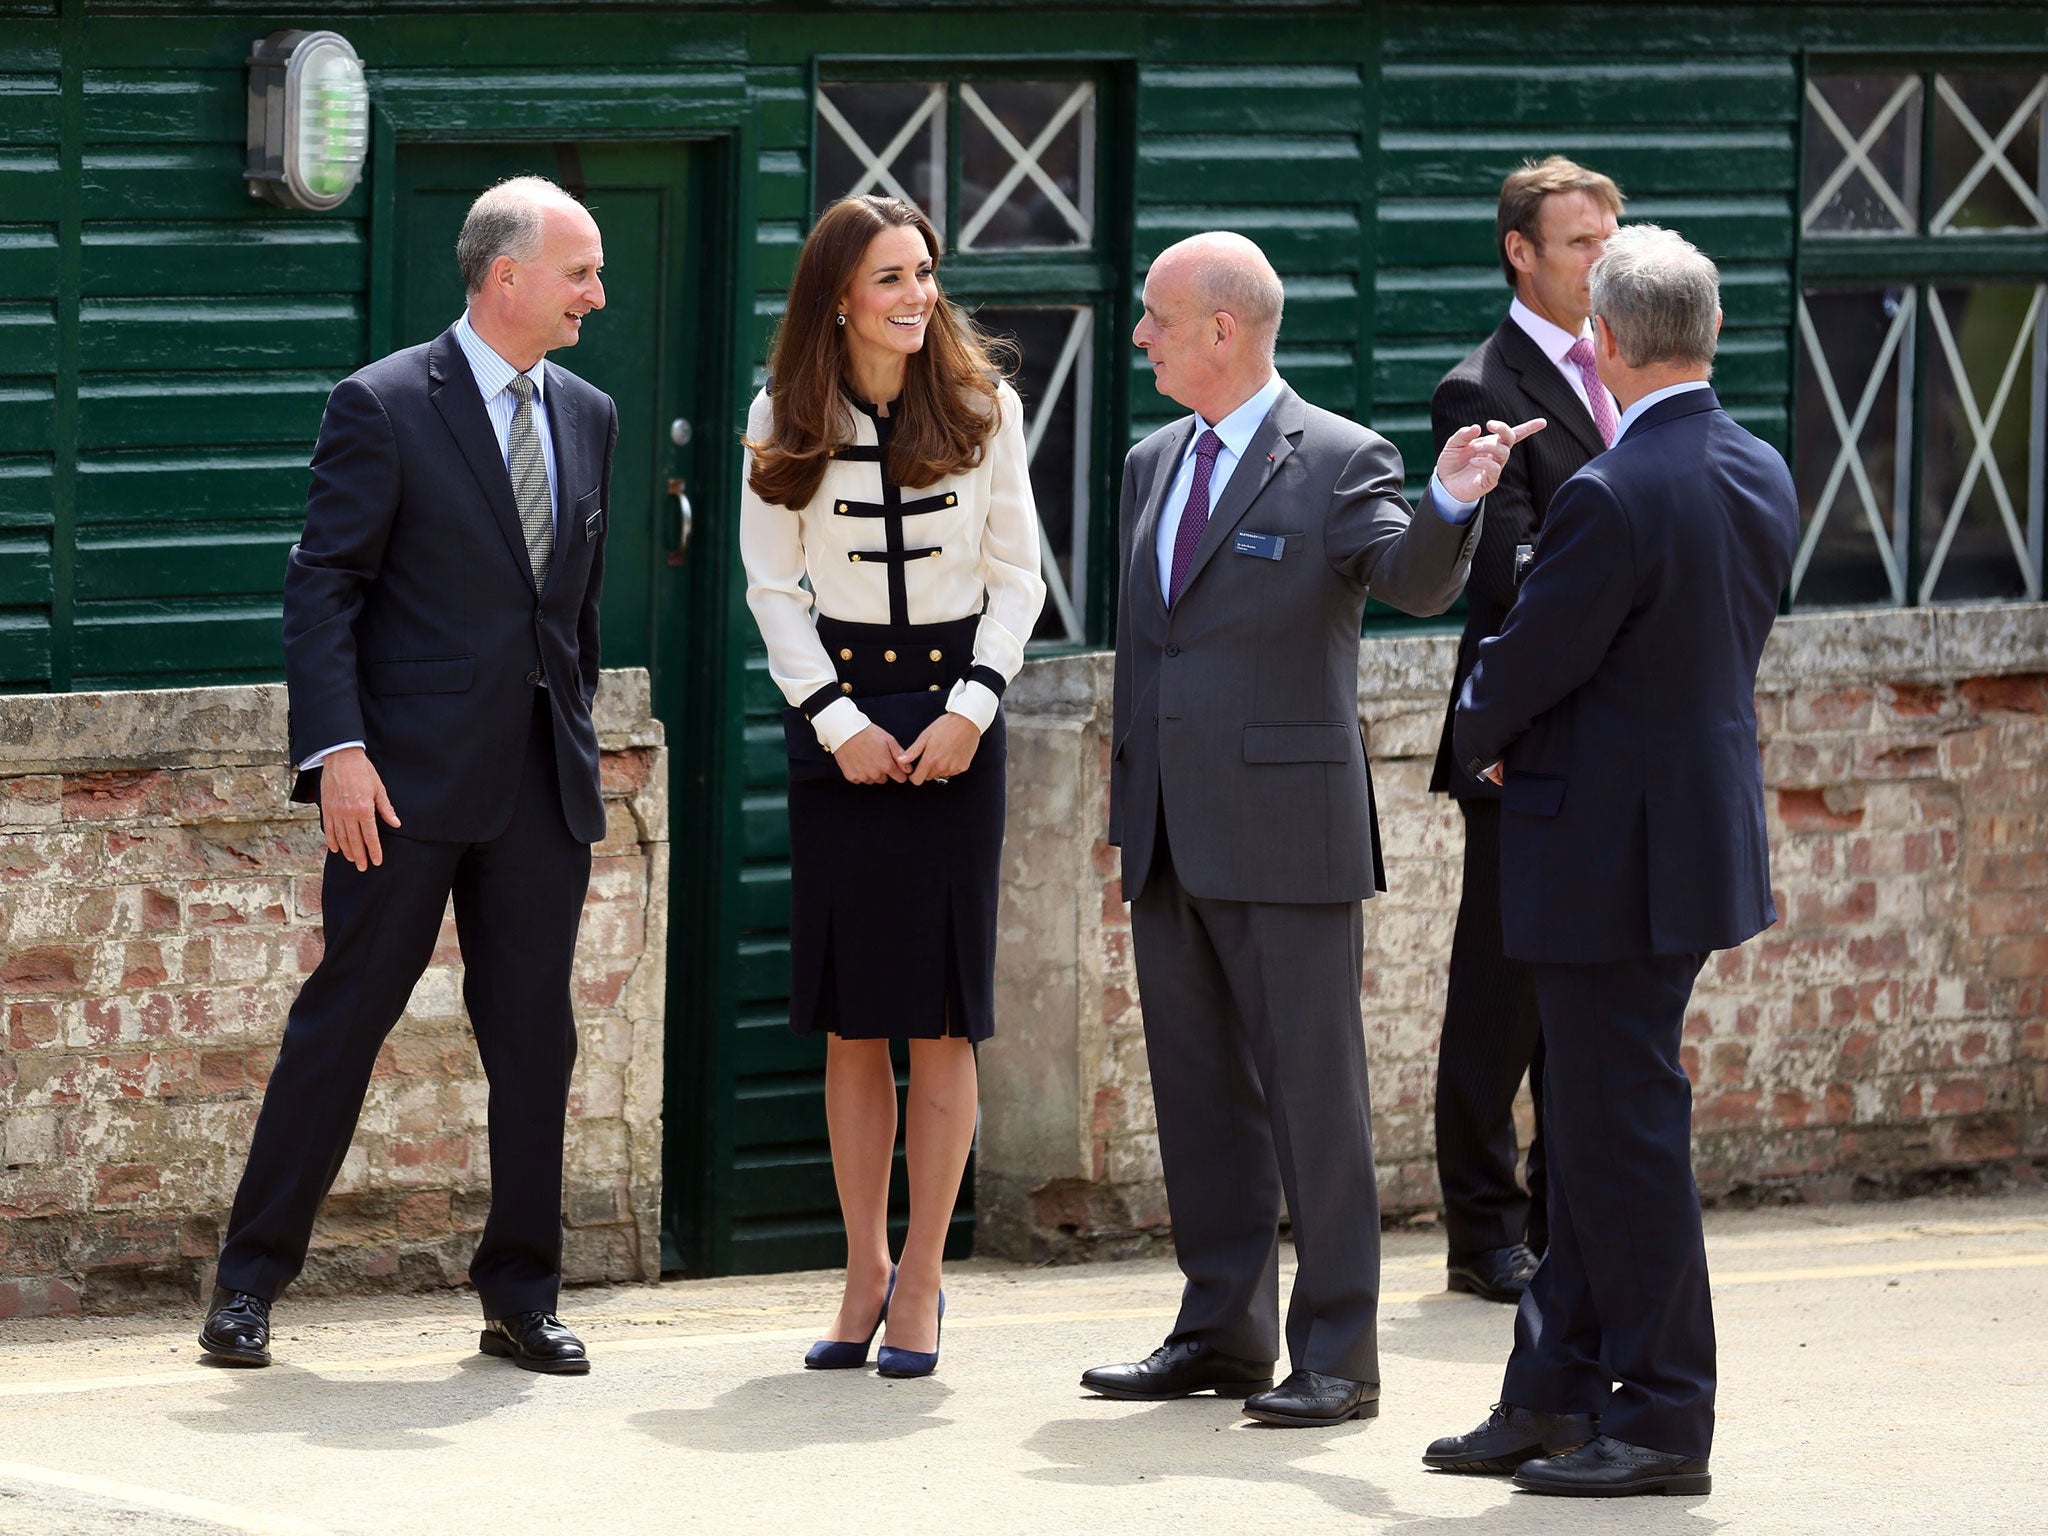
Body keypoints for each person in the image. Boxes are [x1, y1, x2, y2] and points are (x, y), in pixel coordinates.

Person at [1081, 231, 1544, 1427]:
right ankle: (1218, 1334)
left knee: (1314, 1103)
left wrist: (1453, 498)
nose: (1139, 337)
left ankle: (1336, 1357)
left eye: (1155, 319)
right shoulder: (1146, 462)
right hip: (1169, 832)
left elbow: (1412, 580)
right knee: (1197, 1098)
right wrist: (1130, 804)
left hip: (1289, 835)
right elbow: (1149, 650)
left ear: (1221, 330)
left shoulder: (1341, 457)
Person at [199, 176, 616, 1376]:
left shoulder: (588, 411)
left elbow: (571, 611)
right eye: (579, 272)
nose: (595, 293)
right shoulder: (381, 403)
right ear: (507, 276)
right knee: (345, 1021)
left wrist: (575, 730)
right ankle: (247, 1285)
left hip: (541, 786)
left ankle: (519, 1296)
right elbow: (322, 586)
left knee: (536, 1042)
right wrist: (335, 751)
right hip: (399, 784)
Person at [1430, 225, 1798, 1496]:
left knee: (1621, 1139)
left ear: (1601, 344)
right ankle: (1548, 1395)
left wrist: (1477, 728)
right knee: (1592, 1131)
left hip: (1601, 854)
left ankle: (1658, 1419)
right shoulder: (1757, 467)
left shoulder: (1609, 490)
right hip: (1684, 846)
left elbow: (1531, 661)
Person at [739, 194, 1046, 1379]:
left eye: (925, 273)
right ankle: (862, 1266)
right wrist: (835, 725)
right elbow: (774, 595)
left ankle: (922, 1278)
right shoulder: (781, 414)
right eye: (890, 279)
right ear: (838, 297)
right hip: (839, 733)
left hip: (958, 721)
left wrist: (972, 709)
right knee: (854, 1012)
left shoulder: (983, 405)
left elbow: (1018, 578)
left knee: (941, 1010)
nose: (918, 295)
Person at [1427, 156, 1624, 1306]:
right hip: (1519, 735)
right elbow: (1501, 568)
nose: (1600, 257)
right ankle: (1482, 1233)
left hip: (1614, 734)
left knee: (1583, 995)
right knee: (1497, 995)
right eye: (1577, 242)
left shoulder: (1631, 366)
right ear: (1520, 251)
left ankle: (1563, 1219)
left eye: (1609, 237)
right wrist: (1627, 581)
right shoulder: (1481, 386)